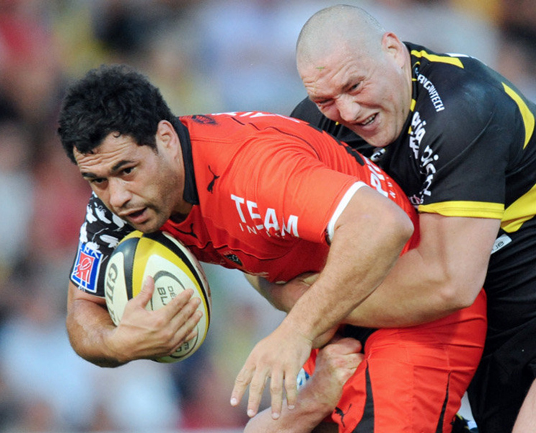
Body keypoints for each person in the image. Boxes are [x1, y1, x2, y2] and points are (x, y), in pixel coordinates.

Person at [57, 64, 487, 432]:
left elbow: (383, 225)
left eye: (127, 170)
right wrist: (119, 343)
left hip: (417, 315)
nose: (117, 197)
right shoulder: (120, 203)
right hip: (335, 317)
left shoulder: (249, 168)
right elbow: (81, 311)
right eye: (97, 181)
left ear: (166, 138)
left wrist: (294, 331)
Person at [290, 4, 536, 433]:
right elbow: (265, 245)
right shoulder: (312, 127)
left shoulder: (463, 105)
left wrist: (306, 307)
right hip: (477, 307)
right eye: (326, 100)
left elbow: (449, 283)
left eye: (355, 85)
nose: (348, 112)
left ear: (393, 51)